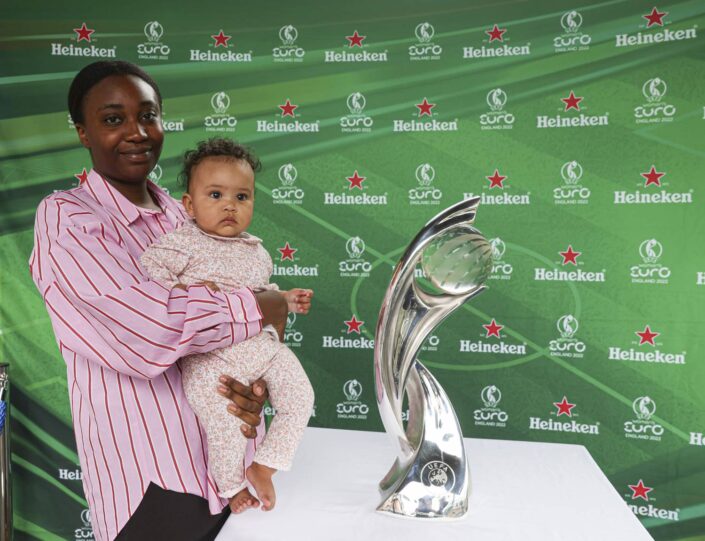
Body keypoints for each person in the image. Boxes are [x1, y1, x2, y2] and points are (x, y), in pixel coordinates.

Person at [28, 60, 307, 541]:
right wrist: (258, 305)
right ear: (82, 132)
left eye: (149, 115)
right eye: (113, 119)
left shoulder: (188, 216)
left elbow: (252, 334)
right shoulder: (68, 218)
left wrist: (252, 393)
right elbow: (148, 335)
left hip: (231, 461)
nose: (136, 132)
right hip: (156, 476)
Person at [140, 137, 314, 513]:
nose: (230, 206)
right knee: (225, 427)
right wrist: (183, 289)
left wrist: (285, 299)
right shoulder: (180, 243)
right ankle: (232, 486)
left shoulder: (257, 250)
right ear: (189, 204)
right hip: (210, 360)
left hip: (262, 350)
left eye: (242, 197)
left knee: (301, 398)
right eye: (215, 195)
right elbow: (150, 276)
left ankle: (264, 467)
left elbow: (262, 296)